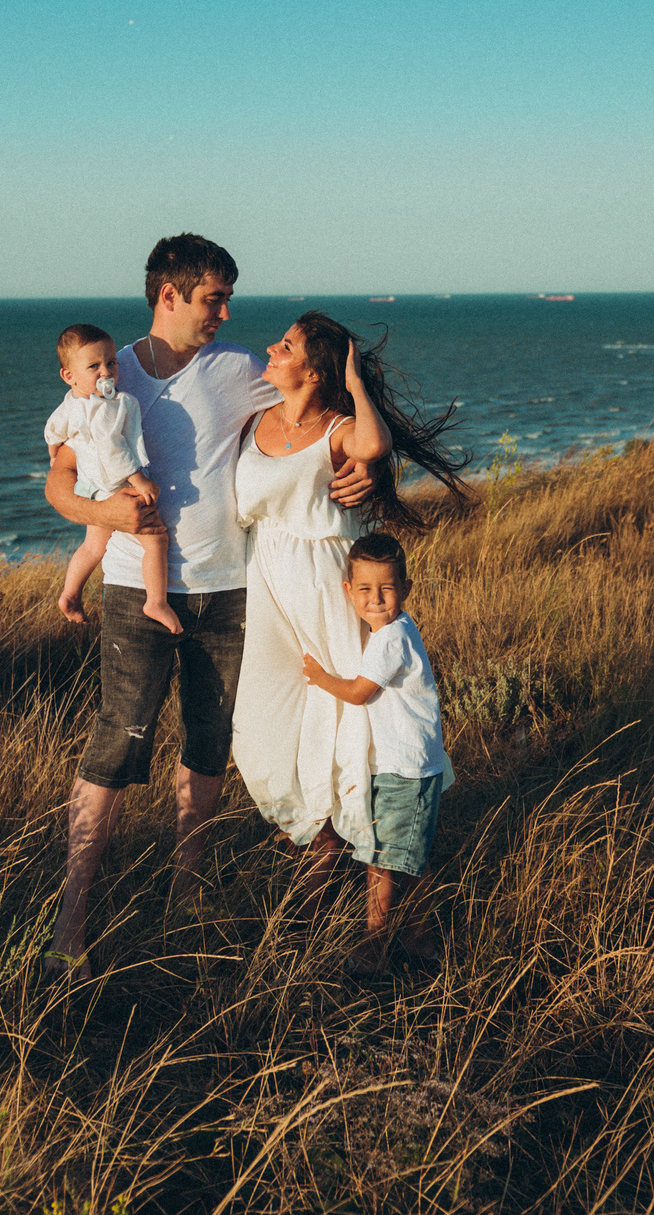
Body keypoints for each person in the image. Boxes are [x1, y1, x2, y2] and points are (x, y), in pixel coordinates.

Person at [40, 235, 372, 978]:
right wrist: (105, 513)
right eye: (213, 299)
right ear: (170, 295)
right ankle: (71, 921)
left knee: (208, 744)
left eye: (227, 298)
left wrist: (369, 473)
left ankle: (184, 900)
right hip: (135, 588)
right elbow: (59, 482)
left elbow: (323, 417)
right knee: (116, 744)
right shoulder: (107, 369)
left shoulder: (243, 369)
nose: (225, 312)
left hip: (231, 590)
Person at [228, 311, 465, 917]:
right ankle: (312, 830)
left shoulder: (339, 428)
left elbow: (374, 445)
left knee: (341, 717)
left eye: (286, 346)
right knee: (261, 720)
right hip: (268, 587)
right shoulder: (254, 418)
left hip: (326, 586)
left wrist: (355, 381)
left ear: (315, 371)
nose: (271, 349)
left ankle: (351, 846)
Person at [300, 530, 450, 978]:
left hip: (406, 770)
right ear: (349, 591)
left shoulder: (390, 639)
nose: (376, 599)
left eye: (387, 588)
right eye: (365, 589)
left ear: (406, 588)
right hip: (408, 766)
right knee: (408, 858)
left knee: (381, 860)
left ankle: (373, 947)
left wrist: (320, 677)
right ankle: (420, 940)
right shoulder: (393, 631)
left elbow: (360, 693)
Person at [45, 323, 178, 636]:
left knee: (93, 547)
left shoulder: (70, 404)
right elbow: (112, 448)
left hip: (93, 489)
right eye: (94, 366)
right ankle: (156, 602)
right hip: (120, 487)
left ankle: (70, 594)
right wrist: (139, 479)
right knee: (156, 540)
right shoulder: (106, 408)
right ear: (69, 375)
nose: (106, 371)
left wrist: (53, 453)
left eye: (111, 362)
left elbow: (53, 428)